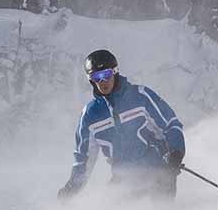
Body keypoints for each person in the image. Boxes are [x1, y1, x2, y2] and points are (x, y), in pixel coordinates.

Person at [57, 49, 187, 200]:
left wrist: (176, 153)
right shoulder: (90, 115)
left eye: (105, 75)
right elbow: (83, 159)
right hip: (124, 179)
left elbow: (170, 124)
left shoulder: (140, 96)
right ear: (90, 80)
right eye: (96, 77)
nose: (102, 82)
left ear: (114, 72)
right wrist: (71, 189)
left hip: (158, 171)